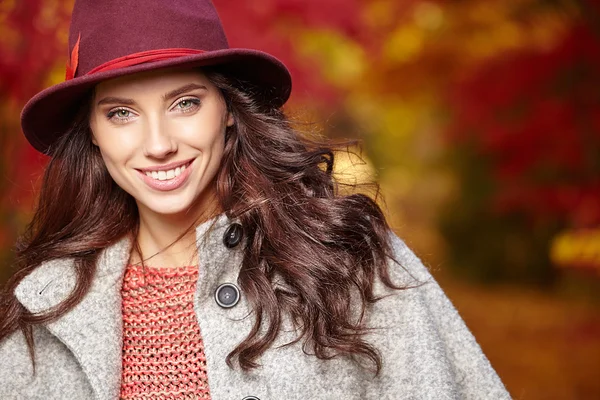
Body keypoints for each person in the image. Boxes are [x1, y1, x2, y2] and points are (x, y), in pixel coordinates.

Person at [0, 0, 511, 399]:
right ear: (91, 132)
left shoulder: (343, 258)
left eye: (185, 103)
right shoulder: (46, 306)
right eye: (121, 114)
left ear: (228, 108)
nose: (157, 144)